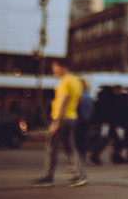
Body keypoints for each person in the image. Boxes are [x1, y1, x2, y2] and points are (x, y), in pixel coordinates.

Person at [32, 58, 87, 187]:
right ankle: (81, 176)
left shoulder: (65, 82)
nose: (53, 70)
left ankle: (48, 178)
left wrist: (56, 122)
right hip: (72, 116)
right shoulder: (76, 81)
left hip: (62, 118)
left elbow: (63, 102)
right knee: (70, 147)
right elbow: (80, 99)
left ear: (62, 67)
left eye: (54, 67)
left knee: (51, 148)